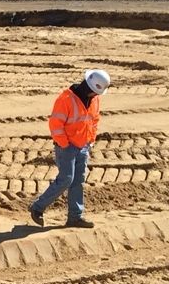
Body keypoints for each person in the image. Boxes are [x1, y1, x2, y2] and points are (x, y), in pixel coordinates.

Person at [29, 69, 111, 229]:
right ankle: (37, 208)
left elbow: (94, 120)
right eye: (95, 92)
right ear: (90, 88)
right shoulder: (65, 99)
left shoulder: (94, 100)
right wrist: (64, 144)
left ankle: (75, 217)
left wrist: (91, 139)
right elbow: (55, 124)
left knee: (78, 181)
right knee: (66, 179)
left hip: (83, 146)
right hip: (66, 147)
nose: (97, 96)